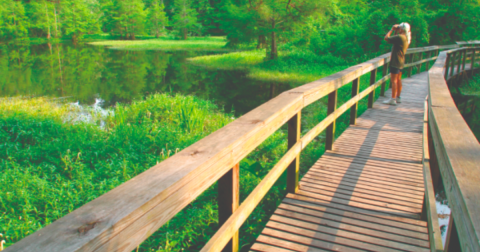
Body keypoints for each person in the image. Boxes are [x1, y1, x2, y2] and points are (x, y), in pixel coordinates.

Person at [383, 22, 411, 105]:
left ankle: (392, 99)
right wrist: (396, 30)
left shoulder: (400, 37)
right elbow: (394, 40)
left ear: (401, 29)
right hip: (401, 62)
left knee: (394, 81)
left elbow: (386, 38)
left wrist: (392, 29)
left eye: (399, 28)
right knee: (398, 80)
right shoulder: (405, 37)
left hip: (395, 62)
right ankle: (398, 97)